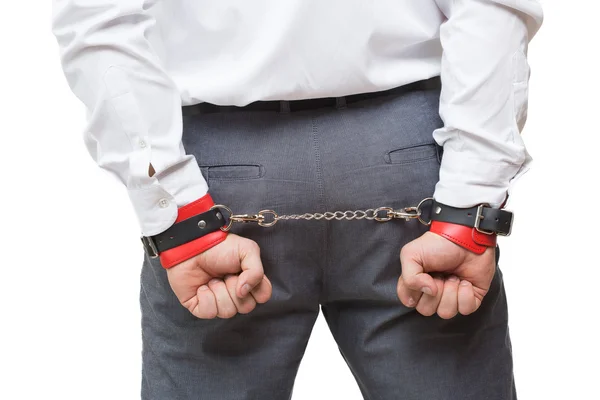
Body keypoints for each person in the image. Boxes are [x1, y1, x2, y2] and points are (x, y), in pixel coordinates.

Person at [52, 1, 543, 399]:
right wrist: (468, 206)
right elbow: (489, 9)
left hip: (216, 179)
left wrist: (176, 210)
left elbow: (98, 20)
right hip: (409, 167)